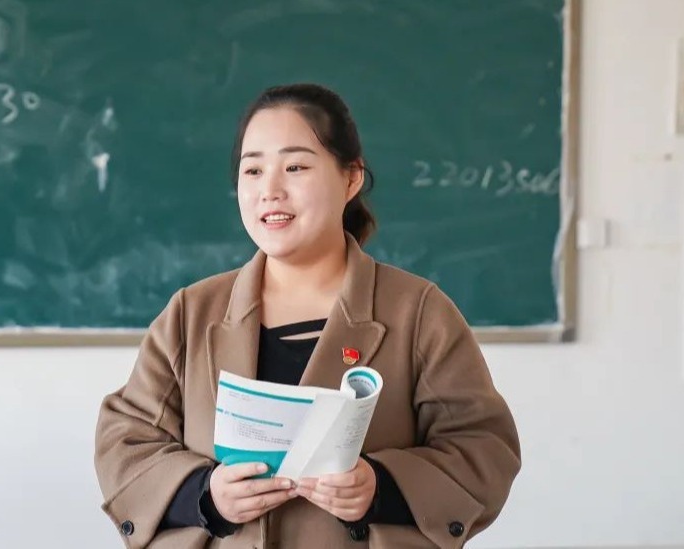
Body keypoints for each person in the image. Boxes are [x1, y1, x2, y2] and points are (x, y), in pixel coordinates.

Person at [94, 83, 521, 549]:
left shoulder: (418, 311)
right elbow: (125, 439)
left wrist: (381, 487)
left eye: (295, 167)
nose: (270, 191)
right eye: (253, 170)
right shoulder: (191, 313)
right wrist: (205, 495)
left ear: (351, 178)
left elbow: (483, 447)